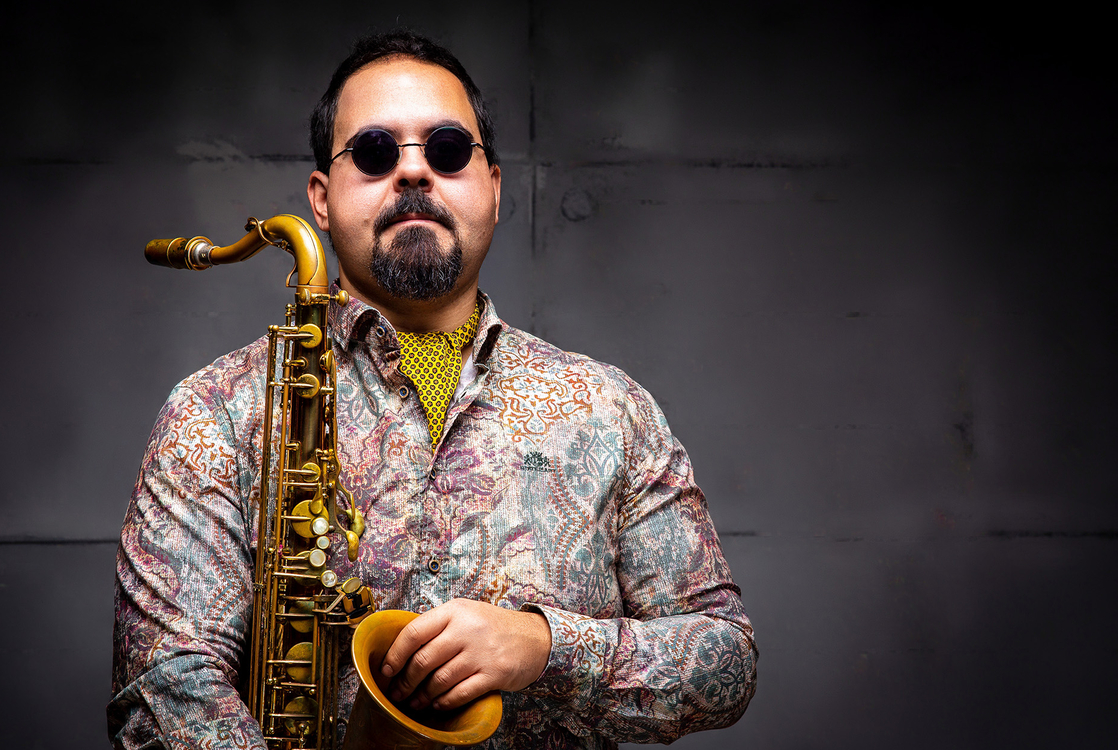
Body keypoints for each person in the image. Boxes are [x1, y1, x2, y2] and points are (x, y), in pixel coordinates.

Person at [109, 30, 757, 750]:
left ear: (495, 188)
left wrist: (544, 647)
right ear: (321, 199)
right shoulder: (212, 411)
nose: (414, 171)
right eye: (374, 152)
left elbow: (725, 660)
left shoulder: (611, 408)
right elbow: (166, 683)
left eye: (447, 150)